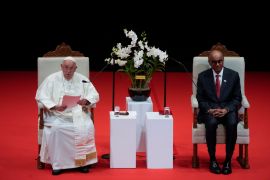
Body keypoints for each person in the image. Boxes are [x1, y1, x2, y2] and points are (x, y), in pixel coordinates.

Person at [35, 56, 99, 175]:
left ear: (76, 68)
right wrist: (54, 106)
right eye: (66, 68)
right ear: (61, 67)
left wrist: (86, 101)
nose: (68, 71)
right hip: (56, 115)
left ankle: (82, 162)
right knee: (57, 129)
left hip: (78, 114)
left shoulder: (83, 79)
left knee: (87, 127)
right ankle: (58, 164)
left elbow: (94, 95)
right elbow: (40, 96)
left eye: (71, 68)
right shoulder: (51, 79)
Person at [196, 49, 242, 175]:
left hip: (228, 110)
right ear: (209, 62)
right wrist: (209, 110)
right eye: (214, 62)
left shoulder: (233, 75)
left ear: (223, 61)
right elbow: (200, 98)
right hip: (211, 110)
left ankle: (228, 160)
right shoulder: (202, 76)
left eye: (220, 61)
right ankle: (213, 160)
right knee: (210, 124)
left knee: (232, 123)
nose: (217, 64)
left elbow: (237, 98)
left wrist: (226, 109)